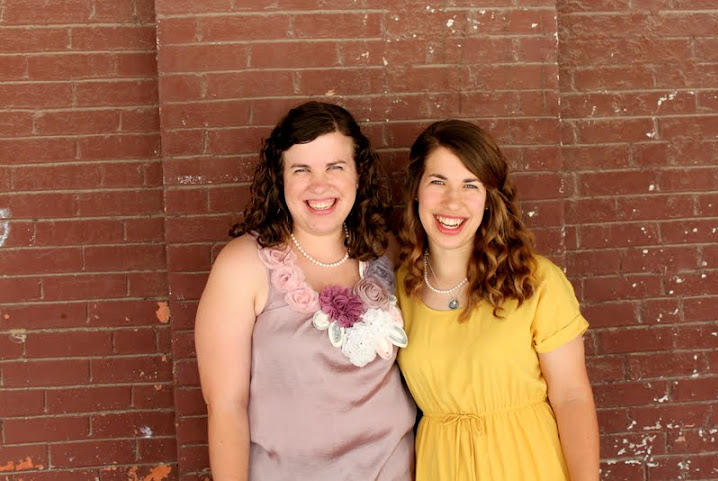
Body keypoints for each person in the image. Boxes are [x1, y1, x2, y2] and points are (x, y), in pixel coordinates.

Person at [194, 101, 416, 481]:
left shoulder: (387, 253)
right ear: (280, 179)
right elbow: (226, 406)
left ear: (358, 175)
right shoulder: (243, 265)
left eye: (335, 167)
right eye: (302, 170)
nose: (319, 185)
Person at [396, 119, 599, 481]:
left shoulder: (535, 281)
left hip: (528, 464)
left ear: (489, 199)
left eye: (470, 185)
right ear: (416, 190)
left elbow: (571, 397)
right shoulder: (399, 289)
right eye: (438, 182)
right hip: (442, 467)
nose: (452, 201)